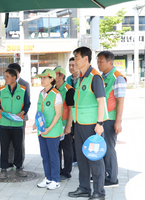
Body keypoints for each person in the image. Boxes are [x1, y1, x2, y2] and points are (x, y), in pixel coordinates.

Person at [68, 47, 108, 200]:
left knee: (95, 159)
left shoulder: (94, 77)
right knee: (82, 159)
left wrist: (100, 123)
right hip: (79, 125)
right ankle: (84, 188)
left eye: (77, 58)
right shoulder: (81, 77)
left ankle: (99, 192)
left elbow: (101, 102)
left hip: (92, 126)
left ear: (85, 59)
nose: (75, 61)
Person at [97, 51, 126, 188]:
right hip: (102, 118)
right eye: (98, 61)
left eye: (101, 61)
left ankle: (112, 178)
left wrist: (118, 122)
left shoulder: (117, 77)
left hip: (111, 119)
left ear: (110, 62)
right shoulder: (102, 77)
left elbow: (120, 101)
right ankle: (104, 174)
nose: (98, 64)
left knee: (109, 149)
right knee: (103, 148)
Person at [0, 68, 31, 179]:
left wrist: (22, 112)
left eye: (7, 76)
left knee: (18, 147)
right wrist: (1, 112)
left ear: (14, 77)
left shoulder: (23, 90)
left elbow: (27, 104)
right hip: (4, 124)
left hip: (17, 124)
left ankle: (19, 167)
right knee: (4, 147)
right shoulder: (1, 90)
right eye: (5, 76)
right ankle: (3, 169)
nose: (5, 79)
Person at [33, 69, 63, 190]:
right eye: (41, 78)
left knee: (53, 156)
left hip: (52, 131)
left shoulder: (57, 94)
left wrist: (49, 128)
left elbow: (58, 114)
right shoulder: (41, 93)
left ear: (52, 79)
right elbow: (39, 111)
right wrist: (36, 124)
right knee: (45, 156)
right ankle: (48, 178)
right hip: (41, 130)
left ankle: (56, 180)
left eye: (45, 77)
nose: (42, 80)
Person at [7, 63, 31, 167]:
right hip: (8, 117)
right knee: (9, 141)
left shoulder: (25, 84)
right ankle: (10, 161)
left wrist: (19, 113)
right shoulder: (6, 83)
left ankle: (19, 161)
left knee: (19, 140)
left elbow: (27, 101)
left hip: (20, 117)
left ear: (16, 72)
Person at [54, 67, 75, 181]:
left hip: (65, 124)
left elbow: (71, 109)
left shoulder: (69, 90)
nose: (53, 77)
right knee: (57, 148)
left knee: (67, 149)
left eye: (55, 74)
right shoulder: (54, 89)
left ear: (62, 76)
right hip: (55, 125)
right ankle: (58, 170)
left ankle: (67, 172)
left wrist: (68, 126)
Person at [67, 57, 79, 165]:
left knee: (77, 136)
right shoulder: (68, 79)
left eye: (73, 65)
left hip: (80, 113)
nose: (71, 67)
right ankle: (74, 158)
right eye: (70, 65)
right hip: (70, 111)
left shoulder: (83, 78)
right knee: (71, 135)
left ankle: (78, 158)